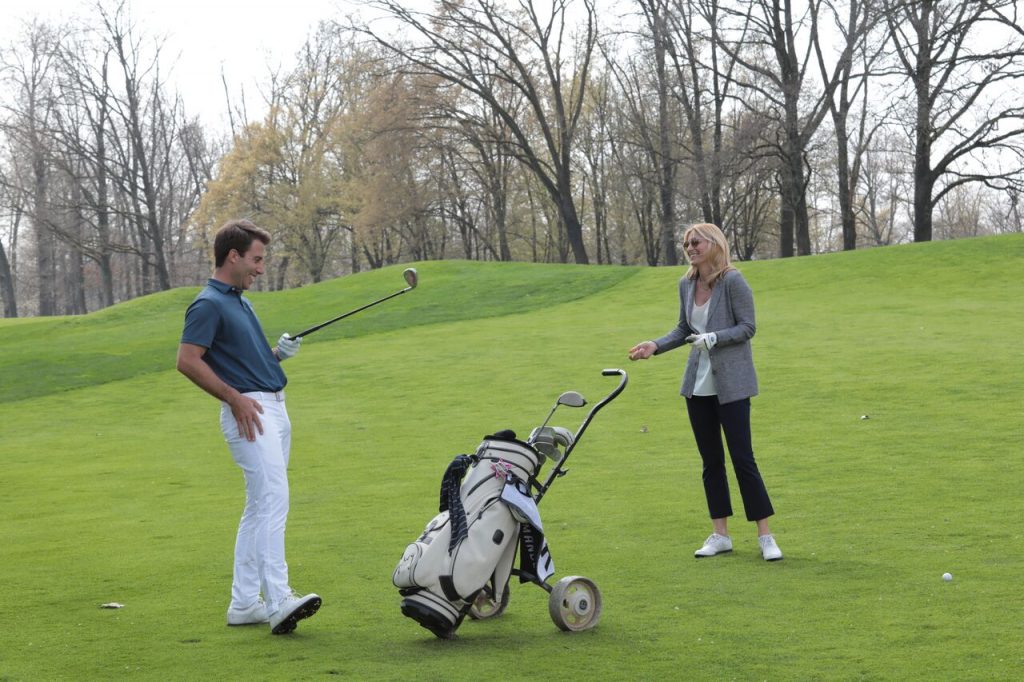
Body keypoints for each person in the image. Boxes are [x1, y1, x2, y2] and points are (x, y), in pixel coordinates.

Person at [176, 218, 323, 634]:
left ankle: (244, 604)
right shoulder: (208, 303)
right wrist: (234, 398)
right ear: (233, 256)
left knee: (260, 506)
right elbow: (187, 360)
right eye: (256, 260)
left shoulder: (240, 301)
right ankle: (278, 600)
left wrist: (278, 353)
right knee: (274, 500)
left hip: (272, 406)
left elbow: (250, 363)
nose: (261, 268)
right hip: (250, 411)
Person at [628, 223, 782, 562]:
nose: (690, 247)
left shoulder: (733, 281)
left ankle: (765, 536)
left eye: (695, 242)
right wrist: (655, 345)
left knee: (743, 459)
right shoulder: (686, 283)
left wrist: (713, 339)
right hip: (697, 387)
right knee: (711, 462)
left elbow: (747, 327)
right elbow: (684, 327)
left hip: (732, 384)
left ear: (714, 244)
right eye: (686, 243)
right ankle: (720, 535)